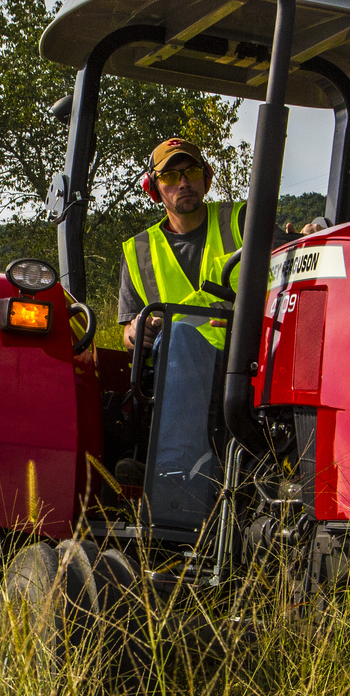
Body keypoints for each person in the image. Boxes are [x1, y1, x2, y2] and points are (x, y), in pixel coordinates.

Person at [114, 137, 319, 495]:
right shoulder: (138, 251)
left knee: (180, 337)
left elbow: (290, 257)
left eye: (191, 172)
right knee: (178, 340)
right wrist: (135, 334)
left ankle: (174, 473)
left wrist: (306, 237)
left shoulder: (241, 219)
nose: (183, 182)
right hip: (177, 371)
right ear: (154, 189)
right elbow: (129, 332)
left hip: (249, 359)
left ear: (206, 178)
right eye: (170, 176)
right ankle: (173, 475)